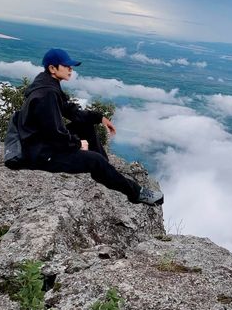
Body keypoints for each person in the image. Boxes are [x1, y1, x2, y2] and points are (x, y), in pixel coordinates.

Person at [17, 47, 163, 205]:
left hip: (40, 143)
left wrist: (99, 118)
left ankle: (106, 171)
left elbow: (71, 112)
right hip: (39, 154)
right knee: (95, 161)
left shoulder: (48, 85)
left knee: (85, 125)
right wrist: (77, 143)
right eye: (66, 66)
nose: (70, 70)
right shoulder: (47, 94)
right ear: (52, 68)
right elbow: (54, 133)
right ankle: (136, 193)